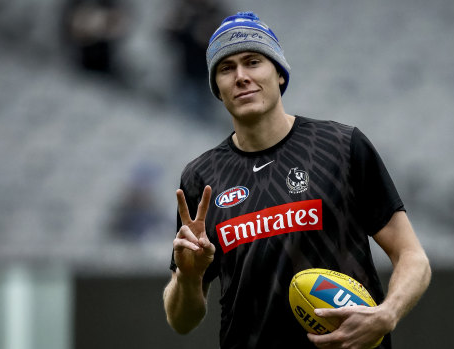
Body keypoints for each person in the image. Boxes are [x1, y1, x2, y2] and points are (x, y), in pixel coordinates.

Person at [163, 11, 431, 349]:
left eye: (253, 61)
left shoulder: (341, 146)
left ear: (279, 73)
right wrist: (188, 277)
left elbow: (412, 257)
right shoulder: (200, 179)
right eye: (226, 68)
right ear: (217, 87)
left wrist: (388, 313)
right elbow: (181, 320)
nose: (241, 76)